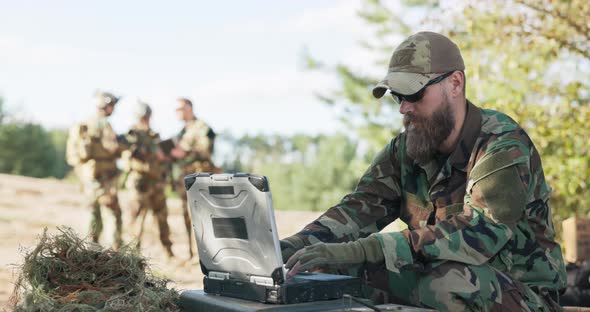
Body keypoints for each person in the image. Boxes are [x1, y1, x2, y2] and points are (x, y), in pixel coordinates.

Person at [281, 31, 566, 311]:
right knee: (327, 271)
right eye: (397, 97)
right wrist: (287, 248)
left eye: (414, 93)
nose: (404, 108)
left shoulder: (501, 143)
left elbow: (478, 234)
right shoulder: (405, 149)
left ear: (455, 83)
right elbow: (356, 212)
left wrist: (369, 249)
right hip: (438, 277)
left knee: (449, 282)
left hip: (524, 296)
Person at [122, 100, 174, 258]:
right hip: (140, 182)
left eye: (147, 116)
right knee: (136, 220)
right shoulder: (132, 134)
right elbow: (127, 156)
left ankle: (168, 251)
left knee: (162, 218)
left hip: (157, 182)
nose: (146, 119)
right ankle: (133, 254)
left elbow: (164, 158)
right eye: (143, 116)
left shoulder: (155, 135)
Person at [170, 97, 219, 258]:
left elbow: (206, 151)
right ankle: (192, 253)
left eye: (179, 109)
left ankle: (206, 254)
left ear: (189, 108)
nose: (177, 113)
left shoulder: (202, 127)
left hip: (199, 179)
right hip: (185, 179)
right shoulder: (183, 131)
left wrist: (186, 152)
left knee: (202, 216)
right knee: (186, 215)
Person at [77, 90, 124, 249]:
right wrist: (125, 145)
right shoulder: (104, 123)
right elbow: (112, 147)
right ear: (107, 105)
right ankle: (114, 249)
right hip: (105, 176)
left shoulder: (87, 122)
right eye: (113, 105)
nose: (114, 109)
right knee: (112, 212)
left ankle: (90, 247)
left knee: (92, 211)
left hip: (89, 174)